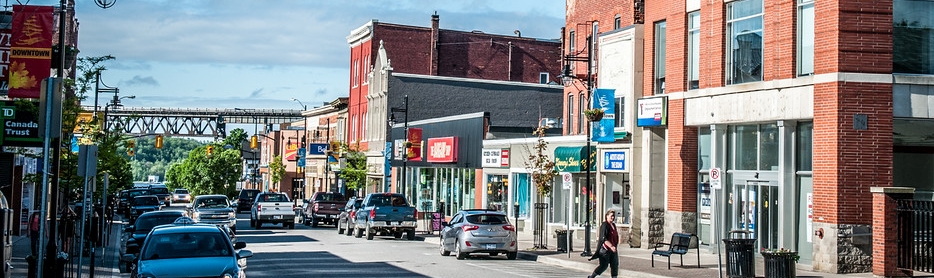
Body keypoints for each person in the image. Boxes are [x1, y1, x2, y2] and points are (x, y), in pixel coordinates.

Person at [587, 209, 619, 278]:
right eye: (611, 216)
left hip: (613, 249)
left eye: (614, 216)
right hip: (605, 250)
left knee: (615, 265)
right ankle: (592, 276)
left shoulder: (613, 225)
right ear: (607, 216)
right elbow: (603, 238)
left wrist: (615, 246)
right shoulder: (605, 225)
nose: (613, 217)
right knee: (604, 266)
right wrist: (611, 246)